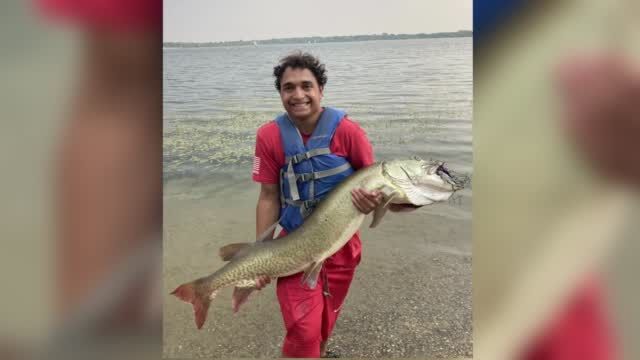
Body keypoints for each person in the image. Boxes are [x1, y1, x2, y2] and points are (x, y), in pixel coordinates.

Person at [251, 52, 407, 358]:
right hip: (292, 245)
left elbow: (379, 185)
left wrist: (374, 201)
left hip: (341, 246)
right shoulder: (269, 136)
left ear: (321, 89)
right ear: (280, 93)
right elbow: (268, 197)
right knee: (302, 328)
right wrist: (261, 253)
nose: (298, 95)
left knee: (325, 321)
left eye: (306, 86)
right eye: (288, 87)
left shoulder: (349, 132)